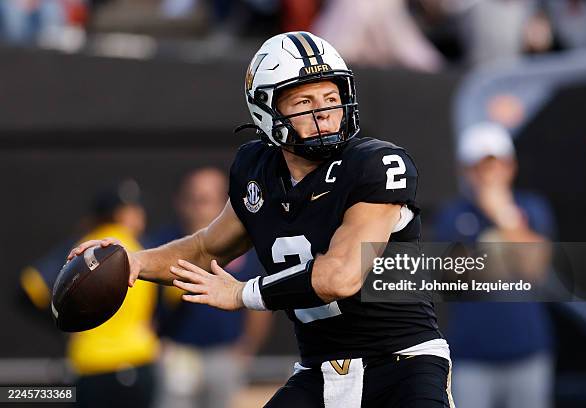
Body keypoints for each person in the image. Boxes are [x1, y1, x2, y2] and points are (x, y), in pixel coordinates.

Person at [69, 32, 453, 407]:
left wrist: (241, 293)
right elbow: (206, 248)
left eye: (331, 98)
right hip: (322, 370)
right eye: (304, 101)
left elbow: (341, 276)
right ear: (267, 111)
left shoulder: (375, 163)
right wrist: (136, 260)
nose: (323, 114)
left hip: (404, 363)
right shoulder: (257, 170)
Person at [434, 122, 555, 408]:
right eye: (481, 166)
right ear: (466, 170)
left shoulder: (533, 208)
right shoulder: (453, 215)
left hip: (528, 352)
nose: (490, 174)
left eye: (497, 164)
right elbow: (457, 278)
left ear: (511, 166)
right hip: (472, 357)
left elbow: (533, 269)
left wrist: (503, 215)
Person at [23, 179, 160, 408]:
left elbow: (29, 286)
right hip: (138, 357)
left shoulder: (82, 247)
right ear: (120, 214)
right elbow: (178, 294)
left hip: (90, 362)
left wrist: (64, 323)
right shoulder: (144, 247)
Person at [150, 168, 272, 408]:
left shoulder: (244, 245)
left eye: (205, 200)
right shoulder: (163, 244)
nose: (197, 207)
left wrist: (247, 347)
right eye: (192, 199)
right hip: (177, 352)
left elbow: (260, 298)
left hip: (224, 354)